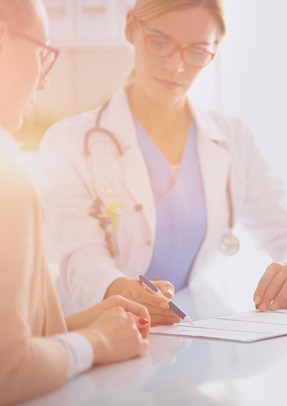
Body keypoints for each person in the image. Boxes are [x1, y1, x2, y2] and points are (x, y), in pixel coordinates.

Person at [38, 0, 287, 325]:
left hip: (194, 338)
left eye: (197, 51)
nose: (176, 66)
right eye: (160, 43)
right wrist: (125, 292)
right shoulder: (68, 142)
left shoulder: (234, 139)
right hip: (99, 338)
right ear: (131, 27)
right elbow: (80, 258)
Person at [0, 1, 150, 404]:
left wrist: (88, 322)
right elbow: (8, 367)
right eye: (42, 54)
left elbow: (15, 333)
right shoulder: (8, 180)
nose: (45, 81)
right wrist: (98, 341)